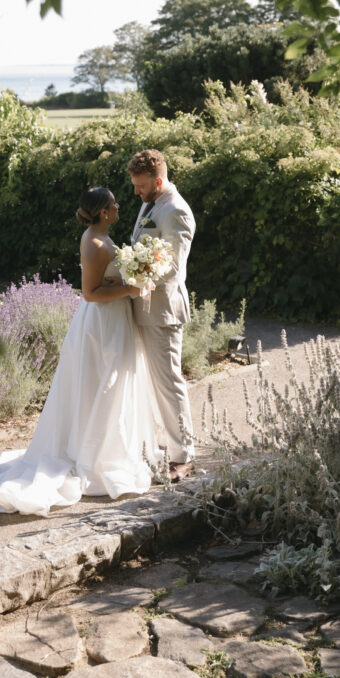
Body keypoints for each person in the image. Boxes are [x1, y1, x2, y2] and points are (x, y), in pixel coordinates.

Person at [0, 187, 161, 516]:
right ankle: (94, 456)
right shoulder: (95, 243)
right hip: (101, 326)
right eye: (113, 204)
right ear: (103, 212)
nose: (118, 207)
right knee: (102, 385)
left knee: (108, 386)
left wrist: (132, 276)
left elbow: (106, 282)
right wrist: (132, 287)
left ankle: (107, 447)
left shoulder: (100, 237)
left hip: (113, 320)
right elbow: (90, 293)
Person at [128, 149, 196, 481]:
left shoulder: (176, 211)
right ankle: (161, 445)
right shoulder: (150, 203)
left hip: (163, 311)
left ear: (158, 181)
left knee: (169, 384)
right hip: (142, 310)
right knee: (151, 383)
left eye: (141, 186)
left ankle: (185, 455)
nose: (136, 192)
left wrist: (130, 277)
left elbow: (172, 268)